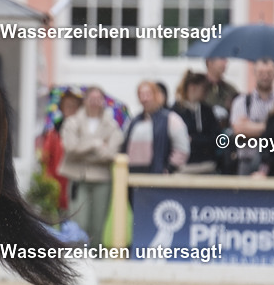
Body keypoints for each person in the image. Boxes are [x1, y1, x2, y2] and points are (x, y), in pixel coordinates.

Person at [59, 87, 123, 246]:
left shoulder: (112, 125)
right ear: (85, 100)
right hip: (78, 179)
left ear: (103, 102)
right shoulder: (72, 122)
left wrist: (83, 150)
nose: (94, 102)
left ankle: (97, 261)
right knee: (79, 223)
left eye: (98, 99)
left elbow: (111, 154)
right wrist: (96, 144)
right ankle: (77, 261)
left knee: (97, 226)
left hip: (102, 180)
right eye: (91, 98)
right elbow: (71, 148)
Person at [123, 80, 190, 174]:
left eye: (148, 94)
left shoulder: (171, 119)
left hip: (158, 176)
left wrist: (169, 169)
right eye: (141, 95)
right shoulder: (134, 122)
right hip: (134, 175)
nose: (145, 99)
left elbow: (182, 148)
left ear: (156, 95)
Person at [230, 57, 274, 175]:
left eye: (269, 73)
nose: (265, 76)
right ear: (254, 73)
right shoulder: (241, 101)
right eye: (261, 73)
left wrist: (251, 126)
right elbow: (239, 130)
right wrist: (271, 128)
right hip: (246, 162)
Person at [41, 90, 81, 213]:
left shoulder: (82, 129)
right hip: (56, 178)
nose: (70, 108)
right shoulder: (54, 130)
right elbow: (46, 155)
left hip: (76, 178)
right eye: (67, 105)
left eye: (73, 106)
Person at [171, 71, 219, 174]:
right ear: (193, 87)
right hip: (184, 166)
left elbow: (215, 137)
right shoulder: (176, 111)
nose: (207, 92)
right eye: (204, 89)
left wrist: (194, 139)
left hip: (207, 163)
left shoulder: (207, 111)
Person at [204, 57, 238, 129]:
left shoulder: (230, 90)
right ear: (209, 62)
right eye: (222, 58)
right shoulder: (200, 88)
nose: (225, 63)